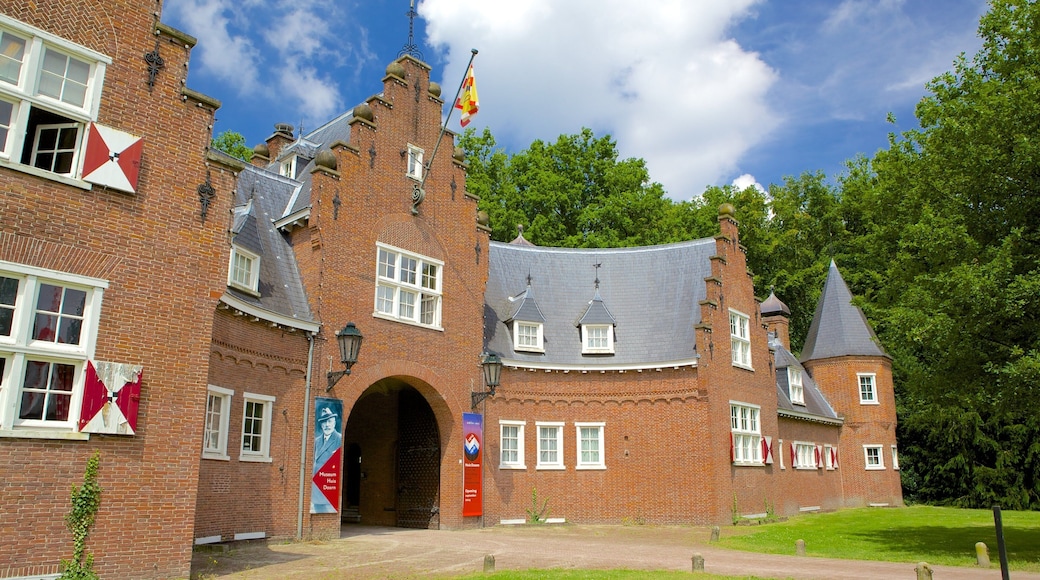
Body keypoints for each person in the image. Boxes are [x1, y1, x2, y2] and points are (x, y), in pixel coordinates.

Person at [313, 405, 342, 472]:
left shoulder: (339, 439)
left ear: (334, 423)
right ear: (321, 425)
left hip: (330, 476)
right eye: (324, 422)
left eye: (329, 421)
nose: (327, 425)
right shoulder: (317, 441)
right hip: (317, 477)